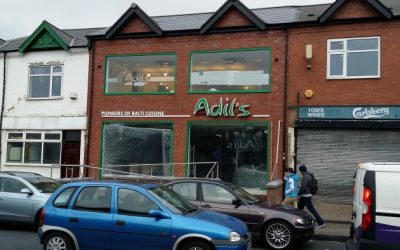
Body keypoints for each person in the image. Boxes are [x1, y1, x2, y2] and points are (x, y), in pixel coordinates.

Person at [297, 163, 326, 228]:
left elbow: (304, 187)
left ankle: (321, 222)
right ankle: (300, 222)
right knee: (299, 209)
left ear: (301, 171)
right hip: (306, 195)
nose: (300, 172)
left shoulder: (305, 176)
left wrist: (298, 194)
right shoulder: (309, 175)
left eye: (300, 171)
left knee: (310, 209)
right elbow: (306, 186)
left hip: (305, 196)